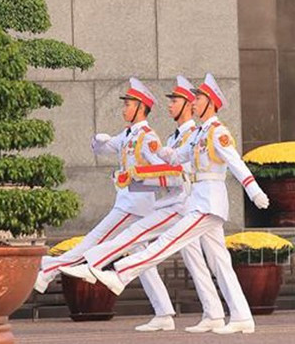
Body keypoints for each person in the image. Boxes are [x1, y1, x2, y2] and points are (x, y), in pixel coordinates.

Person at [92, 73, 271, 333]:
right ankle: (238, 316)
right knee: (220, 262)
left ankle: (122, 273)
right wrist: (163, 153)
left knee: (169, 240)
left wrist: (254, 191)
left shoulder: (218, 132)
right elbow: (177, 156)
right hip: (199, 199)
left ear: (211, 103)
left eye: (198, 99)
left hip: (208, 202)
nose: (194, 103)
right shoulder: (200, 133)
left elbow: (235, 162)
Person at [59, 76, 227, 332]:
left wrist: (138, 177)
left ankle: (95, 263)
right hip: (180, 202)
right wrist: (135, 179)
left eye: (175, 100)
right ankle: (206, 313)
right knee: (197, 260)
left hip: (190, 203)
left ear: (190, 103)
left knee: (202, 259)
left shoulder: (194, 135)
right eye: (170, 100)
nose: (170, 105)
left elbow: (181, 173)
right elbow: (165, 176)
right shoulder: (173, 139)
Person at [32, 78, 174, 327]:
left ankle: (48, 269)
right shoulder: (129, 135)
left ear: (141, 107)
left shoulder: (148, 138)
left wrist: (130, 181)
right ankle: (164, 314)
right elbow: (105, 148)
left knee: (94, 240)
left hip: (134, 206)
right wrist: (99, 141)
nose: (124, 108)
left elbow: (164, 174)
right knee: (142, 261)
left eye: (129, 104)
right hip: (130, 203)